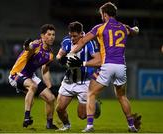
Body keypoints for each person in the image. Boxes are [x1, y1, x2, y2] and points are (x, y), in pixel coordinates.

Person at [69, 2, 141, 133]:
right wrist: (135, 28)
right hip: (121, 66)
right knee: (122, 96)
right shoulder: (123, 27)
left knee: (91, 93)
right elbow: (134, 31)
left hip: (107, 65)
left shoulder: (100, 28)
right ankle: (131, 126)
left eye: (102, 14)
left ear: (105, 14)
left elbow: (83, 41)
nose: (101, 17)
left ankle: (90, 125)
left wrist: (71, 54)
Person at [8, 24, 58, 129]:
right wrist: (26, 45)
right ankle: (27, 117)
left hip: (31, 76)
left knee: (51, 98)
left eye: (53, 34)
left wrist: (49, 86)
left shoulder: (50, 55)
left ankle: (49, 124)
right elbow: (28, 47)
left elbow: (45, 71)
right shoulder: (36, 44)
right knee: (33, 86)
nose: (52, 37)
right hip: (16, 74)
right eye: (49, 34)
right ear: (42, 36)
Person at [55, 21, 102, 131]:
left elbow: (99, 61)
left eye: (75, 36)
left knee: (81, 116)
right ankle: (67, 126)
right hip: (69, 80)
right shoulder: (67, 40)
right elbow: (59, 54)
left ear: (82, 34)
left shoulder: (90, 43)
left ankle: (94, 105)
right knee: (59, 109)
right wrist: (60, 59)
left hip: (84, 82)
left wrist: (81, 63)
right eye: (71, 35)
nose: (72, 38)